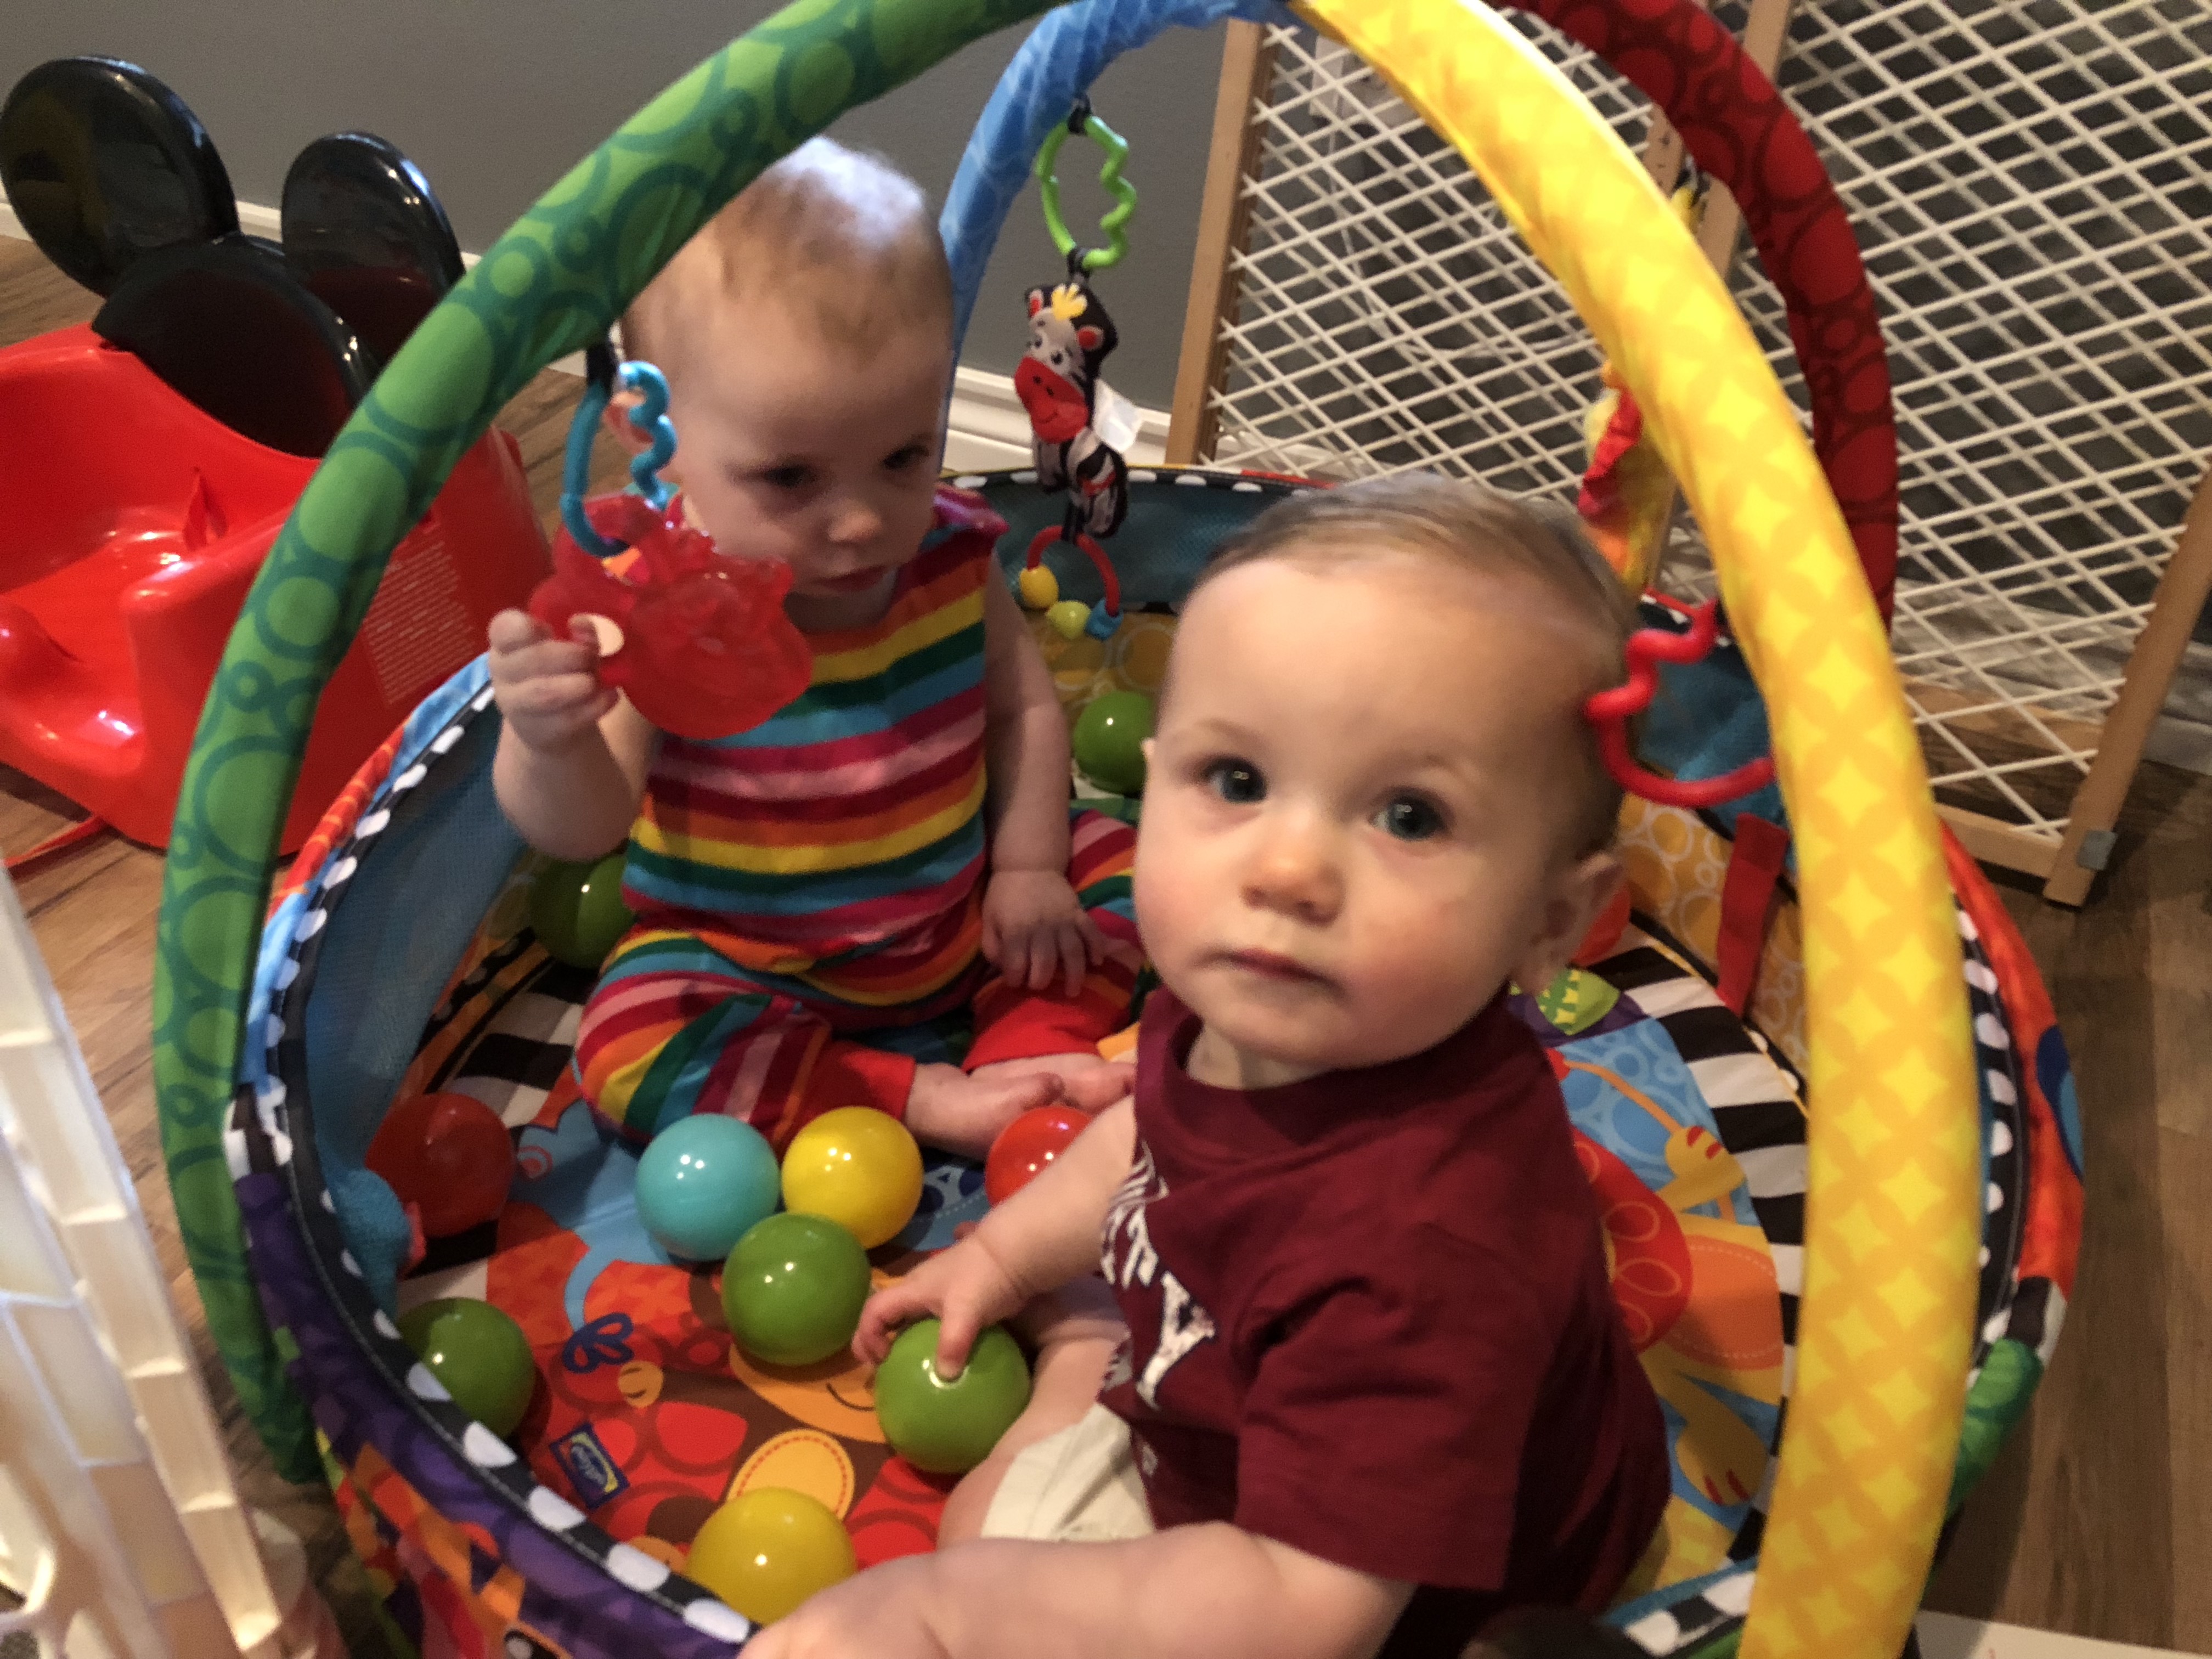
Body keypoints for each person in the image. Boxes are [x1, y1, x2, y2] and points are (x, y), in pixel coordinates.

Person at [752, 475, 1672, 1659]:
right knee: (992, 1516)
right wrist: (994, 1255)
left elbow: (1302, 1608)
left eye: (1409, 815)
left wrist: (946, 1613)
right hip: (1234, 1421)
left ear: (1553, 922)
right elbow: (1150, 1137)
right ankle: (1092, 1349)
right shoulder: (1270, 1005)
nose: (1287, 867)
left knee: (970, 1555)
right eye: (1238, 781)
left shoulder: (1425, 1251)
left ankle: (1088, 1362)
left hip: (1385, 1598)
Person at [484, 138, 1140, 1156]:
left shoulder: (952, 555)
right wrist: (547, 740)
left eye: (902, 457)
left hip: (968, 921)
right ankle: (906, 1096)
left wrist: (1026, 870)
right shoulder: (651, 610)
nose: (862, 524)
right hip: (744, 970)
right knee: (623, 1044)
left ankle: (1028, 1049)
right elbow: (585, 828)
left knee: (1137, 866)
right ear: (651, 437)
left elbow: (1024, 712)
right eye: (792, 479)